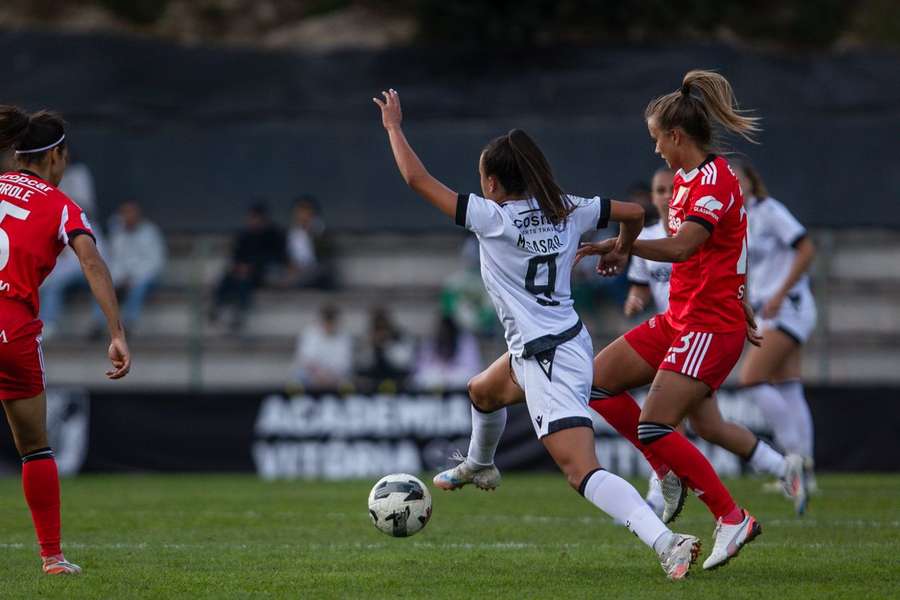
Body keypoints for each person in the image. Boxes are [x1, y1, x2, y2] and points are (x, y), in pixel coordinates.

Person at [375, 89, 701, 580]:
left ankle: (666, 541)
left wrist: (394, 128)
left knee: (580, 472)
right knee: (482, 391)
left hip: (550, 359)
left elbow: (415, 178)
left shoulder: (494, 218)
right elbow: (635, 212)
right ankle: (480, 463)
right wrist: (620, 250)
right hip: (550, 342)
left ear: (491, 181)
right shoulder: (569, 207)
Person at [576, 70, 766, 570]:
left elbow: (685, 247)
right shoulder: (685, 181)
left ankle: (730, 517)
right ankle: (665, 468)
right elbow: (729, 246)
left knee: (656, 423)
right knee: (594, 383)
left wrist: (621, 243)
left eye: (657, 137)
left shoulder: (715, 180)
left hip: (707, 324)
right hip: (682, 317)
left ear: (676, 135)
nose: (656, 147)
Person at [622, 166, 807, 517]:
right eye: (658, 191)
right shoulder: (648, 236)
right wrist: (635, 300)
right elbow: (640, 286)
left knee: (660, 418)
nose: (663, 197)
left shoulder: (693, 232)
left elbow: (724, 271)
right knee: (709, 426)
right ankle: (782, 467)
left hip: (697, 335)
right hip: (673, 331)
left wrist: (741, 305)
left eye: (667, 190)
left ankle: (660, 496)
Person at [0, 105, 131, 575]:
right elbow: (91, 263)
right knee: (34, 447)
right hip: (9, 324)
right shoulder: (61, 204)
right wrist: (116, 332)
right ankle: (52, 558)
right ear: (55, 156)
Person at [733, 158, 818, 490]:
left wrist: (781, 293)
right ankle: (803, 474)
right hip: (771, 309)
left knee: (751, 379)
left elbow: (807, 248)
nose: (735, 186)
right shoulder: (741, 219)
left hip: (788, 307)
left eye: (739, 180)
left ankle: (791, 463)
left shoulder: (769, 211)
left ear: (751, 181)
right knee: (788, 387)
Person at [90, 201, 166, 334]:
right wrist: (118, 279)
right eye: (124, 214)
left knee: (138, 288)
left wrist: (133, 278)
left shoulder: (150, 232)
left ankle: (128, 324)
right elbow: (115, 261)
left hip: (146, 277)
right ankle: (98, 324)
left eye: (130, 213)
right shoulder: (118, 234)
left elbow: (155, 263)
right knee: (103, 285)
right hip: (122, 277)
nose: (127, 217)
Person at [209, 203, 287, 331]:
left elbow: (276, 259)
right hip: (241, 273)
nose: (253, 221)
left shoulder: (273, 235)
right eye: (251, 218)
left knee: (244, 281)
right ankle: (216, 307)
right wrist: (239, 268)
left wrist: (251, 267)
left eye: (256, 218)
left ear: (263, 219)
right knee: (228, 277)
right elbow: (235, 258)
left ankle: (239, 314)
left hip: (263, 274)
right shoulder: (244, 236)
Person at [290, 304, 354, 389]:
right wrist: (318, 375)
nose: (329, 325)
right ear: (322, 320)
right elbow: (305, 360)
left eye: (332, 322)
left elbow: (345, 365)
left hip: (335, 381)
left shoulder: (344, 337)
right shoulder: (310, 333)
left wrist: (329, 377)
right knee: (297, 378)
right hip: (310, 380)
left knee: (347, 384)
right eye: (327, 321)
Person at [411, 316, 482, 391]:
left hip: (460, 392)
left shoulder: (466, 343)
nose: (444, 334)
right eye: (442, 331)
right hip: (431, 393)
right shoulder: (429, 344)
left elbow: (473, 374)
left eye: (447, 331)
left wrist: (449, 373)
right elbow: (419, 376)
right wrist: (440, 372)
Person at [355, 307, 415, 390]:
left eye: (383, 327)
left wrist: (387, 345)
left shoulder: (399, 337)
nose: (381, 332)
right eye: (378, 328)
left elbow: (403, 362)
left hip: (396, 383)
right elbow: (361, 363)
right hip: (372, 384)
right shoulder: (367, 339)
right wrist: (371, 346)